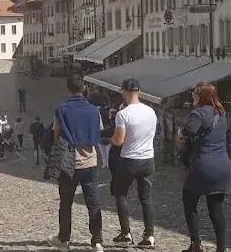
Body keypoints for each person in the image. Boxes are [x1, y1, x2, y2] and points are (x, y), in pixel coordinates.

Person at [46, 77, 104, 252]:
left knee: (66, 202)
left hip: (68, 162)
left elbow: (56, 134)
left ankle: (63, 239)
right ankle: (97, 241)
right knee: (93, 202)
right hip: (90, 161)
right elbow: (98, 130)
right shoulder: (94, 110)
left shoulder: (61, 109)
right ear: (84, 88)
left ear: (68, 89)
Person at [180, 83, 231, 252]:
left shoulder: (198, 112)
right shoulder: (221, 113)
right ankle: (221, 247)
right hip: (222, 165)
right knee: (216, 208)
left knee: (189, 201)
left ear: (201, 96)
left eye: (195, 93)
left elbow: (189, 131)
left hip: (204, 165)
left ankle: (196, 244)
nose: (192, 96)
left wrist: (180, 135)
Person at [111, 78, 157, 248]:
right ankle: (149, 235)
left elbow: (118, 140)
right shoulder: (151, 112)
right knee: (146, 197)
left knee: (121, 193)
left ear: (125, 92)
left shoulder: (123, 114)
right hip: (148, 159)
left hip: (130, 160)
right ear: (139, 91)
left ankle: (126, 233)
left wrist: (111, 138)